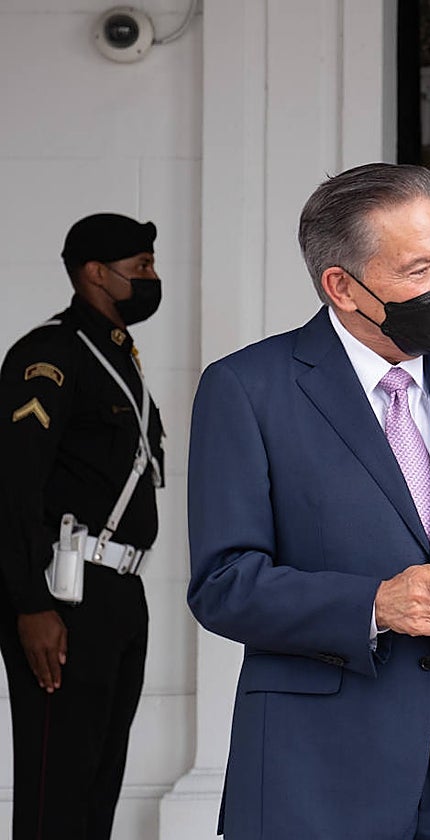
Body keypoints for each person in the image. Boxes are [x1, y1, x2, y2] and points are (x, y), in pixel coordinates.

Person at [187, 162, 430, 839]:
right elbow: (223, 583)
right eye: (419, 271)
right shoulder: (246, 390)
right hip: (315, 779)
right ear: (342, 286)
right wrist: (373, 605)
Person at [0, 213, 165, 839]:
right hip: (62, 595)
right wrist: (30, 602)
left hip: (117, 591)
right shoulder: (52, 356)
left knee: (99, 780)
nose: (152, 278)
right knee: (57, 785)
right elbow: (12, 487)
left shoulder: (116, 358)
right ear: (96, 274)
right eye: (140, 267)